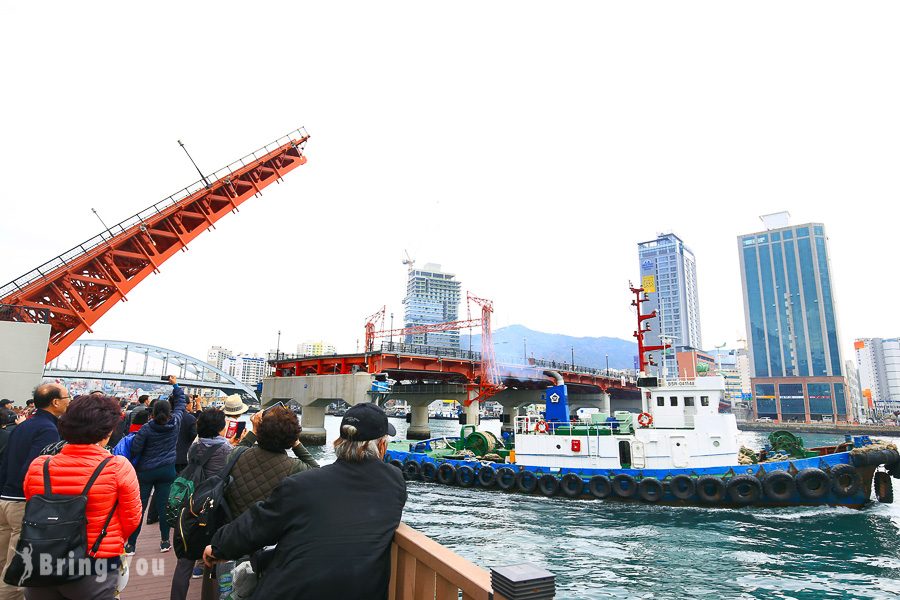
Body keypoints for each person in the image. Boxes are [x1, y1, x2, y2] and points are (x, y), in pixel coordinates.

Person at [204, 403, 406, 600]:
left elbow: (258, 524)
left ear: (339, 441)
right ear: (381, 445)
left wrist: (219, 546)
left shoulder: (301, 484)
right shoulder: (394, 482)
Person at [22, 395, 142, 599]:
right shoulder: (117, 466)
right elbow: (132, 519)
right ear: (107, 432)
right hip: (95, 561)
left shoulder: (40, 465)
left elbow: (33, 505)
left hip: (41, 558)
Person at [0, 383, 70, 600]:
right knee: (16, 568)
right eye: (68, 396)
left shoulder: (25, 425)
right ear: (55, 402)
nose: (70, 400)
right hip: (22, 502)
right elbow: (34, 469)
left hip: (5, 498)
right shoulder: (48, 429)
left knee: (2, 558)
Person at [170, 408, 235, 600]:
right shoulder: (225, 449)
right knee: (212, 557)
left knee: (184, 562)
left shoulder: (194, 447)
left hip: (191, 506)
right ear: (221, 427)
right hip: (213, 508)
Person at [126, 376, 187, 554]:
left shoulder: (147, 428)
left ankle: (131, 544)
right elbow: (181, 403)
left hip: (146, 471)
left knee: (140, 506)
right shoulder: (175, 423)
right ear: (169, 412)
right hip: (167, 470)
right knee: (163, 506)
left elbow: (136, 448)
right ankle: (164, 542)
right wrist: (175, 384)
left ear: (152, 413)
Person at [224, 406, 319, 518]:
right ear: (294, 436)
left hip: (231, 528)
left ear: (260, 431)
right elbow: (317, 473)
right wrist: (296, 443)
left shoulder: (237, 454)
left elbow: (238, 448)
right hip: (269, 532)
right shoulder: (294, 467)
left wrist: (254, 431)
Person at [175, 398, 198, 474]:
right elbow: (194, 436)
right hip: (184, 457)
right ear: (186, 405)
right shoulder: (190, 418)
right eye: (191, 402)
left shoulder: (169, 416)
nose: (192, 404)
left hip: (168, 457)